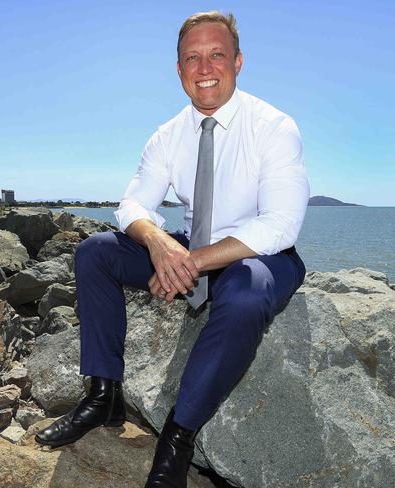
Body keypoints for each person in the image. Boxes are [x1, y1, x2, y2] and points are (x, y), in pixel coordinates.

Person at [35, 10, 309, 488]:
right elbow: (133, 204)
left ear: (238, 62)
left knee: (245, 297)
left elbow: (281, 224)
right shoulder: (167, 135)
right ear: (179, 69)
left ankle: (178, 438)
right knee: (95, 252)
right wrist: (159, 244)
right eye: (192, 58)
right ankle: (103, 395)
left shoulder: (274, 127)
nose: (205, 68)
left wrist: (188, 262)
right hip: (189, 247)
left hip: (258, 255)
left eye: (216, 55)